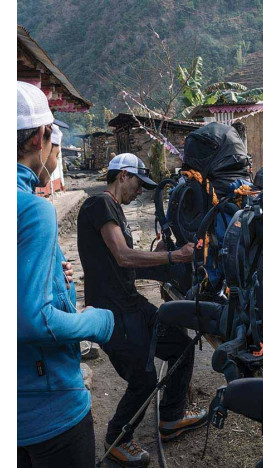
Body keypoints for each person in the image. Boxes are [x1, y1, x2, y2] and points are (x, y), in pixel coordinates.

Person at [77, 153, 207, 467]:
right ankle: (117, 438)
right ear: (122, 175)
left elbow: (123, 267)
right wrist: (175, 256)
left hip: (130, 304)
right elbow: (122, 256)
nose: (140, 191)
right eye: (138, 183)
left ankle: (171, 418)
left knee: (180, 345)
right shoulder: (100, 205)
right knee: (144, 378)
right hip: (113, 314)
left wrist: (160, 257)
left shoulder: (115, 212)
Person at [17, 81, 115, 468]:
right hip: (44, 406)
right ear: (40, 138)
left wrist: (51, 279)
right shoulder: (31, 210)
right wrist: (94, 321)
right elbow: (33, 320)